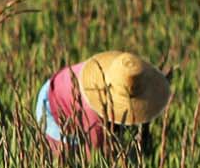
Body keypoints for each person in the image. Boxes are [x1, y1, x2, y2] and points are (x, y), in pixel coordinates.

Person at [34, 51, 171, 154]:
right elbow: (93, 160)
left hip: (67, 85)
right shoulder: (95, 120)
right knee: (69, 161)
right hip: (50, 106)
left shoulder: (123, 70)